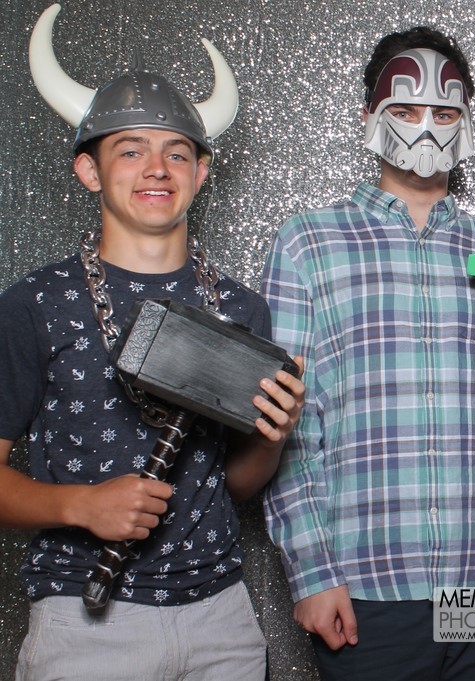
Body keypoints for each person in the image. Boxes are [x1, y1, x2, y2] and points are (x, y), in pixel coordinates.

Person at [0, 5, 305, 680]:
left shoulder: (241, 309)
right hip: (85, 626)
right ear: (90, 171)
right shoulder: (35, 304)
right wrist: (79, 504)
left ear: (200, 173)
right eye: (131, 150)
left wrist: (273, 435)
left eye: (177, 153)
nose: (157, 169)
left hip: (222, 620)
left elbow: (236, 486)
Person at [260, 26, 475, 681]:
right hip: (366, 585)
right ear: (371, 114)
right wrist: (309, 571)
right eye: (406, 108)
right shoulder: (308, 243)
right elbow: (285, 424)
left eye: (444, 113)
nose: (426, 127)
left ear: (466, 121)